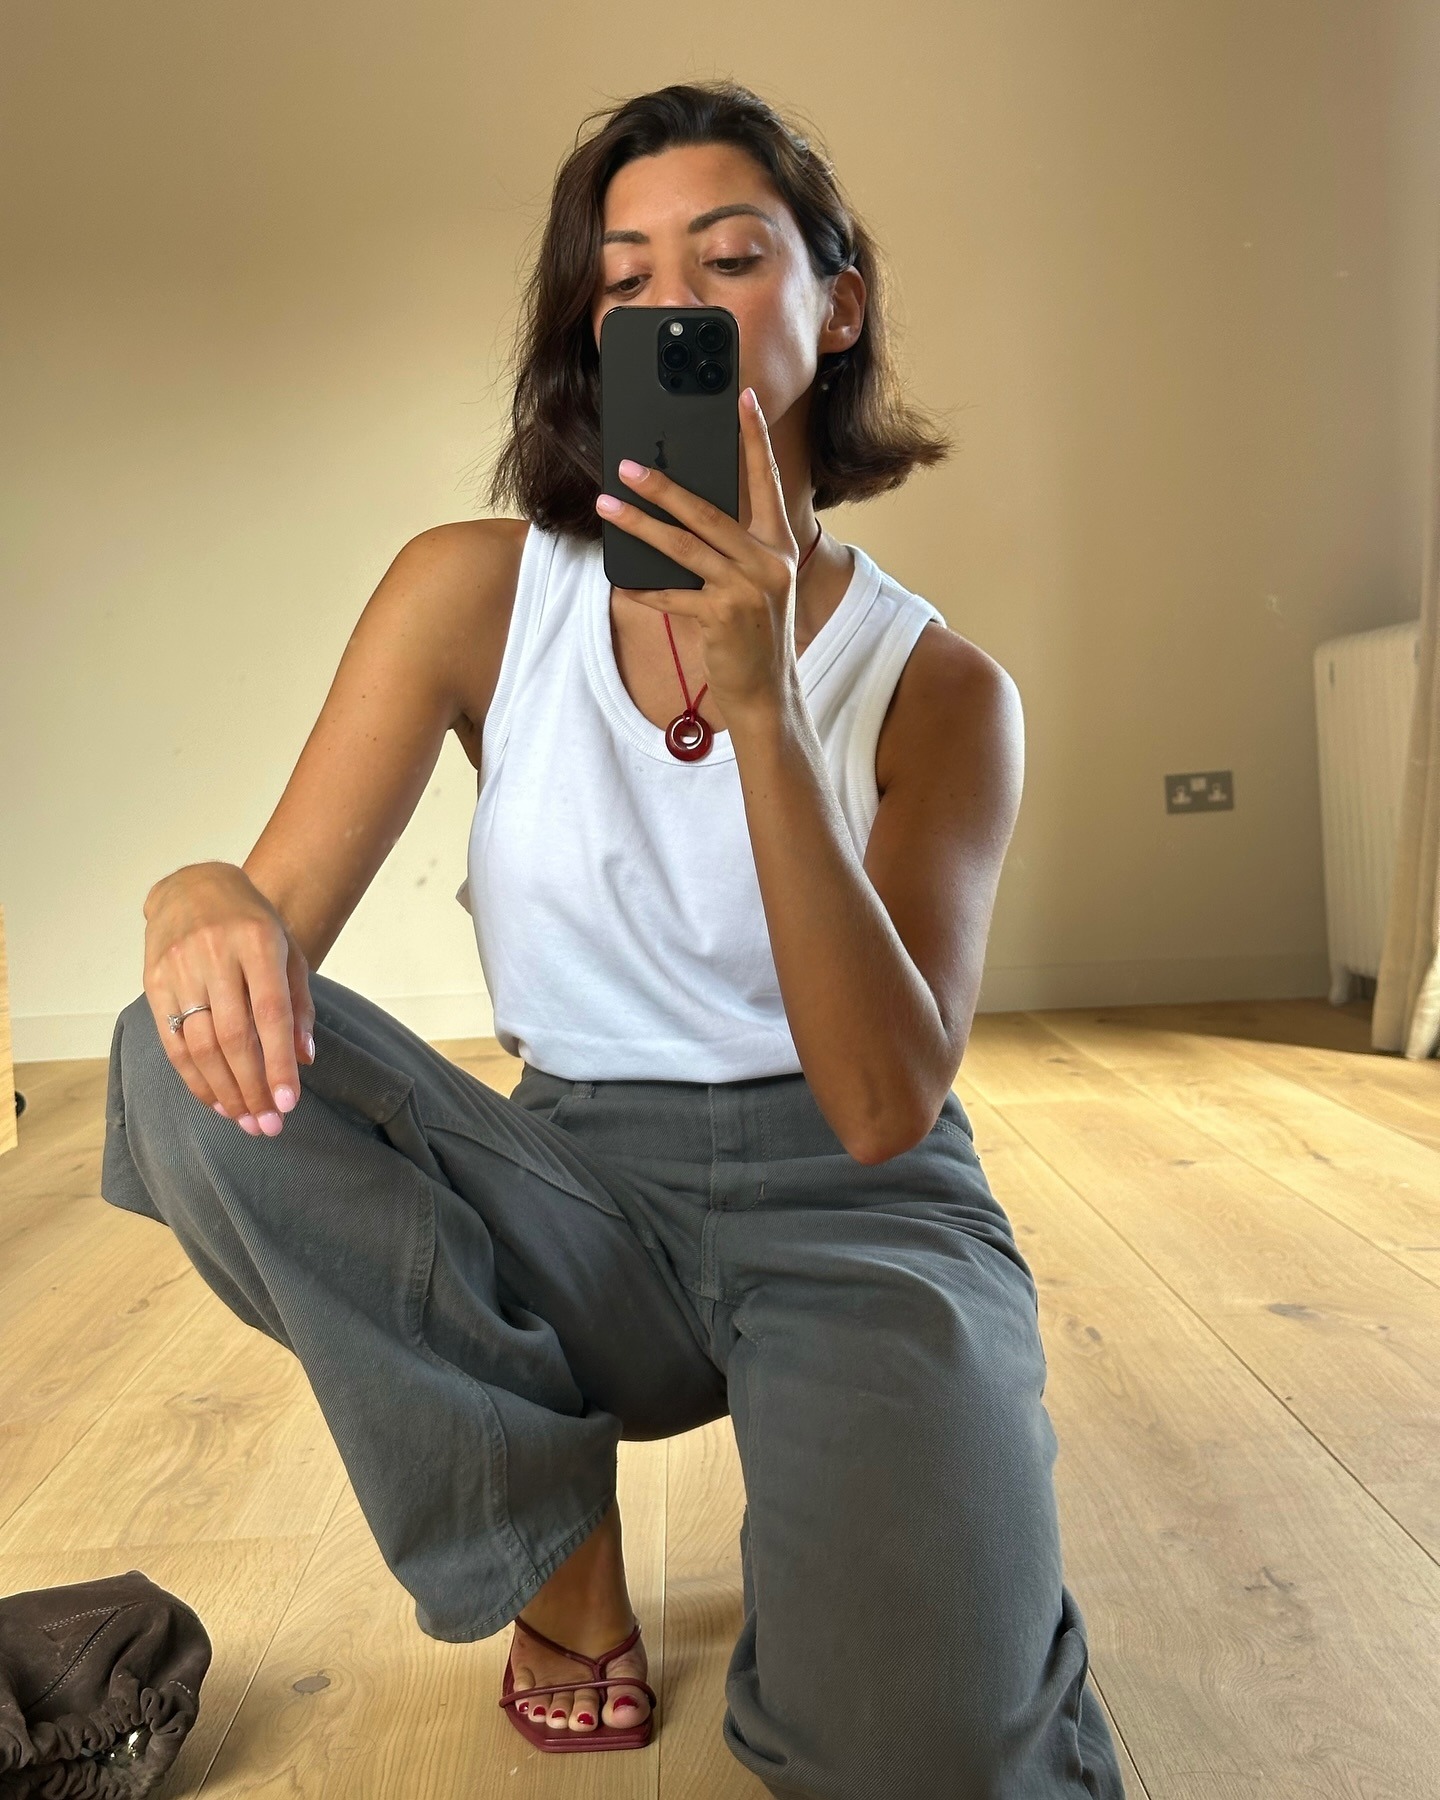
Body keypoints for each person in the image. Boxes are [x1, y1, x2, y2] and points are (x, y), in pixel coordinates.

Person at [101, 78, 1126, 1799]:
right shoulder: (474, 591)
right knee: (175, 1047)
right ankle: (557, 1569)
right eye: (626, 277)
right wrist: (194, 893)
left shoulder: (945, 691)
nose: (674, 307)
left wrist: (764, 706)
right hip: (578, 1191)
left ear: (836, 304)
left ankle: (951, 1584)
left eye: (730, 259)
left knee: (933, 1755)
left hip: (862, 1210)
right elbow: (260, 958)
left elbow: (885, 1103)